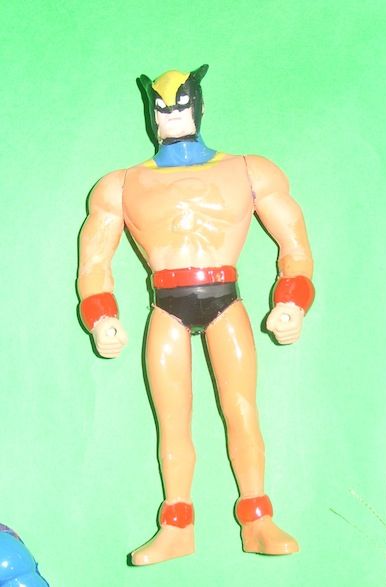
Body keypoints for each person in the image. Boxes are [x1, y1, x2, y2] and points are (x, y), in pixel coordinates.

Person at [77, 65, 314, 565]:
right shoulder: (122, 185)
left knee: (242, 410)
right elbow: (94, 261)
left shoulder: (249, 171)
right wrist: (101, 315)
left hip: (226, 297)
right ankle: (176, 526)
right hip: (167, 304)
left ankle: (258, 518)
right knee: (172, 420)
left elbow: (294, 242)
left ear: (199, 106)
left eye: (181, 104)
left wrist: (292, 300)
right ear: (151, 112)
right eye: (162, 106)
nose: (172, 114)